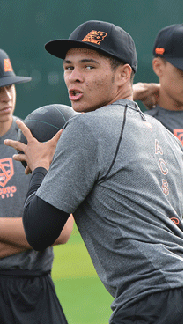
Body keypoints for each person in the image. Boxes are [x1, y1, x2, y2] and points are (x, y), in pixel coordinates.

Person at [4, 20, 183, 324]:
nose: (75, 77)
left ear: (124, 74)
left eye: (89, 67)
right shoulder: (166, 135)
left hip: (152, 302)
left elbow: (39, 231)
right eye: (69, 67)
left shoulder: (85, 127)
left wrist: (42, 165)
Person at [0, 49, 73, 324]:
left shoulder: (38, 138)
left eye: (9, 86)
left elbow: (61, 229)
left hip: (36, 293)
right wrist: (34, 235)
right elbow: (45, 231)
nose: (6, 96)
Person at [133, 23, 183, 257]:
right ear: (157, 66)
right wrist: (130, 94)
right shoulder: (139, 125)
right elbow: (79, 126)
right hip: (167, 267)